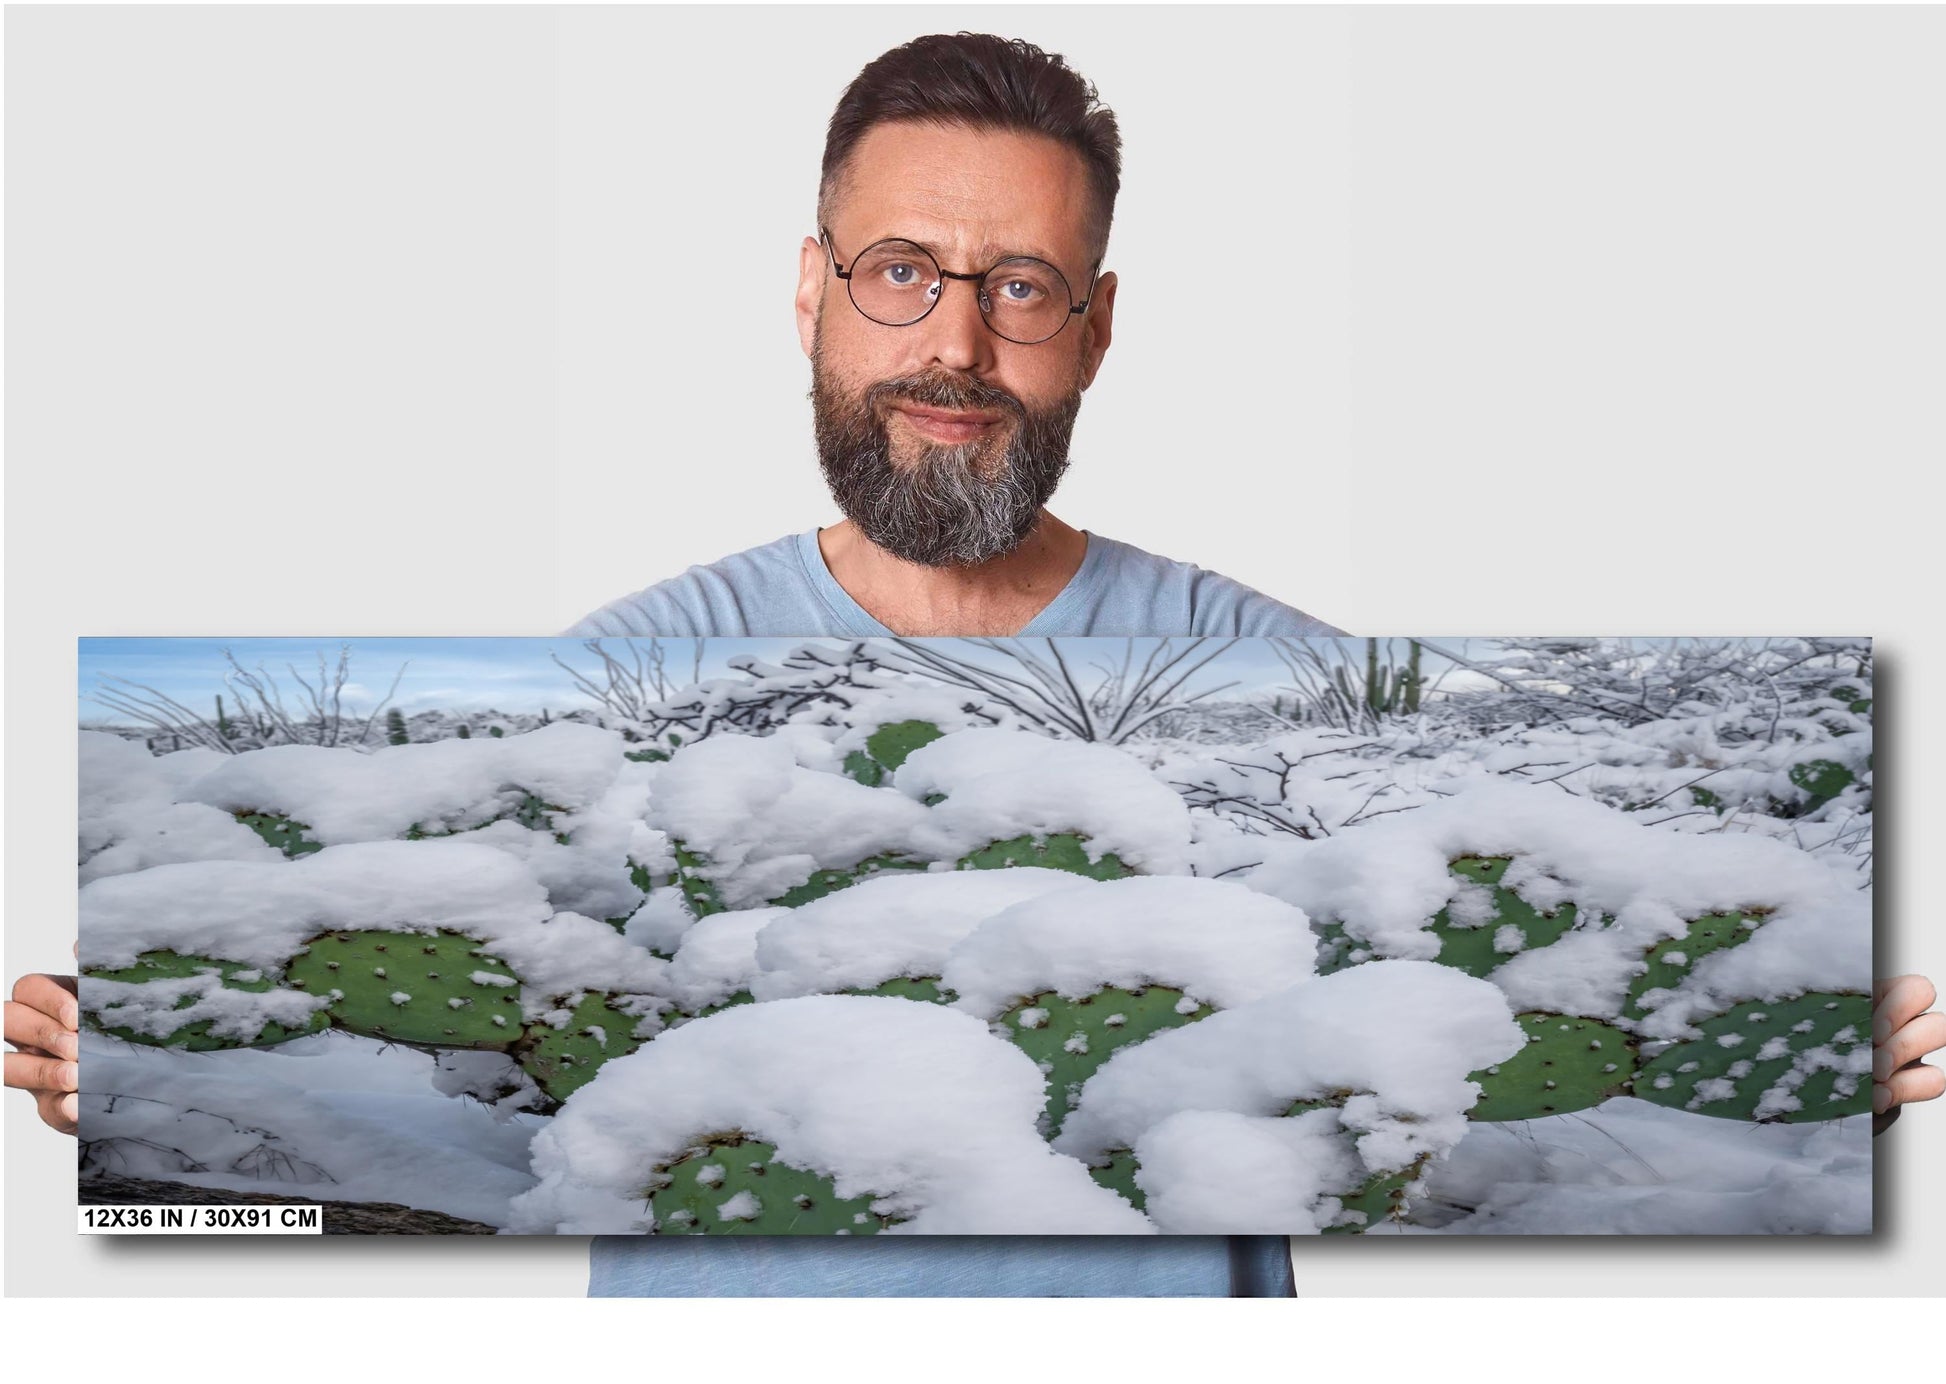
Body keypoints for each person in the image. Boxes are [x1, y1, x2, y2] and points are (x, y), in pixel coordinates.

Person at [13, 31, 1942, 1297]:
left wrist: (1814, 1046)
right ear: (810, 289)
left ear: (1092, 328)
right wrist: (142, 1048)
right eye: (901, 270)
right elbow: (479, 1087)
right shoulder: (609, 681)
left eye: (1019, 286)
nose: (957, 341)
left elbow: (1441, 1072)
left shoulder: (1291, 678)